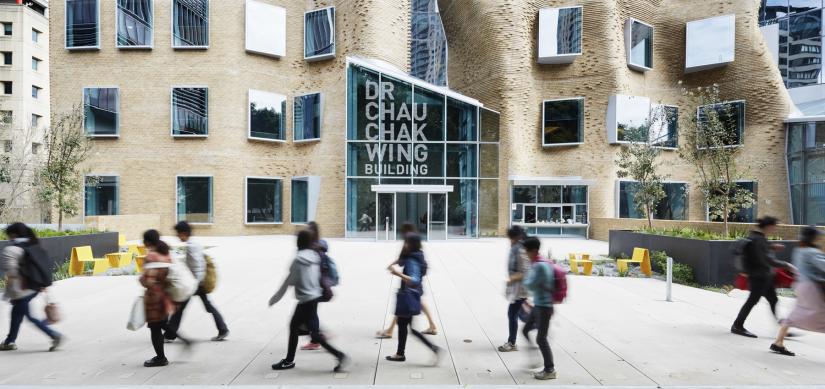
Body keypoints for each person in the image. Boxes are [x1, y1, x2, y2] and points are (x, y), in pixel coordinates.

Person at [269, 230, 349, 372]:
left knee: (296, 327)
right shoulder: (314, 256)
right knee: (312, 332)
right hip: (314, 297)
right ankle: (338, 355)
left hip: (305, 300)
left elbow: (288, 282)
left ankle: (289, 361)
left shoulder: (298, 260)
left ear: (298, 242)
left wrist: (275, 298)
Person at [731, 217, 797, 338]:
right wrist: (786, 265)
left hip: (764, 277)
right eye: (774, 226)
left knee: (773, 300)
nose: (775, 229)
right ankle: (737, 325)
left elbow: (759, 251)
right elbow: (767, 259)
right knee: (752, 301)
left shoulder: (756, 237)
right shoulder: (759, 240)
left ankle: (782, 329)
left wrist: (771, 247)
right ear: (768, 226)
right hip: (759, 277)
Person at [0, 223, 61, 352]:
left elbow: (12, 274)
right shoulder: (34, 246)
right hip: (34, 287)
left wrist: (11, 294)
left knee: (29, 316)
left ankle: (54, 335)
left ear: (13, 235)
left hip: (21, 290)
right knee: (16, 314)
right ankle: (9, 341)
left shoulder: (10, 250)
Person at [165, 221, 229, 343]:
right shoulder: (193, 244)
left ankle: (170, 334)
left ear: (183, 233)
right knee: (207, 306)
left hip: (196, 283)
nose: (177, 236)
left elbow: (198, 266)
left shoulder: (191, 246)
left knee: (180, 308)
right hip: (197, 283)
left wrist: (195, 283)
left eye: (178, 234)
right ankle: (223, 329)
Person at [376, 222, 438, 339]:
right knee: (414, 303)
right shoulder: (415, 244)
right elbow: (403, 259)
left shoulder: (409, 242)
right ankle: (432, 325)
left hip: (410, 282)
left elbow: (403, 260)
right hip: (415, 283)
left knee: (403, 307)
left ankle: (390, 331)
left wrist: (396, 272)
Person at [385, 233, 440, 363]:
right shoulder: (416, 255)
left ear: (411, 244)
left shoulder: (412, 260)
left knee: (406, 326)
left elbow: (414, 279)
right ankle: (400, 353)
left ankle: (403, 353)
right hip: (412, 294)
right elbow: (401, 261)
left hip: (408, 295)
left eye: (406, 243)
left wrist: (396, 273)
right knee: (405, 325)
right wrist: (396, 262)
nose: (404, 244)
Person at [770, 226, 825, 356]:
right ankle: (778, 343)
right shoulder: (812, 252)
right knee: (818, 313)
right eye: (818, 236)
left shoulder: (800, 250)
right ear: (813, 238)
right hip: (811, 287)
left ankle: (778, 342)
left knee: (797, 313)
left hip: (800, 285)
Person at [140, 230, 190, 367]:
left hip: (153, 298)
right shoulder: (166, 254)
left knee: (155, 327)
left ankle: (160, 358)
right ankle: (184, 340)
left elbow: (148, 281)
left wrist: (142, 279)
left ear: (148, 242)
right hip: (165, 295)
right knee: (161, 323)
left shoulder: (151, 257)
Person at [522, 237, 556, 380]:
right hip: (540, 305)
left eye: (527, 252)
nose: (526, 254)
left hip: (544, 307)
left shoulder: (539, 266)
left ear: (534, 250)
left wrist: (526, 276)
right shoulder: (541, 263)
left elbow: (529, 284)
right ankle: (536, 358)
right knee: (525, 330)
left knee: (541, 338)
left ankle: (550, 369)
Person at [499, 226, 530, 352]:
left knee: (512, 313)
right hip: (519, 288)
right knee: (518, 313)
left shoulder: (520, 249)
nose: (509, 241)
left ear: (516, 237)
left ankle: (512, 342)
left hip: (520, 288)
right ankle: (537, 323)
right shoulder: (518, 247)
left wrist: (511, 279)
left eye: (510, 238)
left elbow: (525, 271)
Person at [300, 221, 328, 351]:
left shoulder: (314, 248)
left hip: (313, 287)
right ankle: (317, 336)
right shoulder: (317, 246)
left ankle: (317, 338)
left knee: (310, 314)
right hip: (314, 287)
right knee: (311, 313)